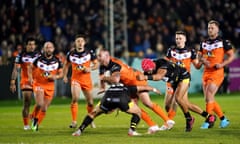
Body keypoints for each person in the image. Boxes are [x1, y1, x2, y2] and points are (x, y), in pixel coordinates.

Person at [72, 60, 162, 136]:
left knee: (93, 114)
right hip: (121, 100)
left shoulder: (111, 87)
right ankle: (132, 130)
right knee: (138, 112)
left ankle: (79, 130)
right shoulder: (128, 87)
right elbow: (143, 88)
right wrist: (154, 89)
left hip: (107, 98)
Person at [96, 48, 175, 133]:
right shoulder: (102, 66)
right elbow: (102, 78)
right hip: (129, 85)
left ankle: (168, 121)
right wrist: (102, 87)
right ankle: (153, 125)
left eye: (100, 55)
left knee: (147, 103)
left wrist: (105, 78)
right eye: (98, 56)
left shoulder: (114, 64)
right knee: (134, 108)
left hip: (137, 80)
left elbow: (115, 79)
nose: (98, 58)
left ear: (107, 55)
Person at [139, 58, 216, 132]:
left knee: (178, 98)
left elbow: (158, 77)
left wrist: (145, 77)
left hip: (183, 76)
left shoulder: (161, 65)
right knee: (185, 104)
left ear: (153, 66)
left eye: (149, 71)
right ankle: (209, 116)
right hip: (174, 81)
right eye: (146, 71)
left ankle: (189, 118)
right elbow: (142, 75)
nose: (148, 72)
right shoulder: (149, 68)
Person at [160, 31, 215, 130]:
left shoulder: (191, 51)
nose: (178, 40)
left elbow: (197, 66)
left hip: (183, 80)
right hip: (172, 80)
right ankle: (208, 116)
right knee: (172, 105)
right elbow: (165, 62)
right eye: (177, 38)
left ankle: (169, 123)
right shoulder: (171, 50)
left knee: (177, 100)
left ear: (185, 39)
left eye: (180, 38)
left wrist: (202, 61)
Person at [198, 20, 234, 129]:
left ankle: (208, 121)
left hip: (217, 72)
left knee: (209, 95)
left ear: (217, 29)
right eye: (209, 28)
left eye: (212, 28)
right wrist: (204, 61)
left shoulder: (224, 42)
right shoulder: (203, 43)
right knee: (208, 99)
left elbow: (231, 56)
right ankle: (223, 119)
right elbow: (199, 56)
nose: (210, 30)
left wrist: (222, 64)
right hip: (206, 72)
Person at [63, 34, 98, 128]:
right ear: (75, 43)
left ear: (84, 43)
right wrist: (65, 76)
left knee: (90, 102)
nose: (80, 43)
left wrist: (90, 69)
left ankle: (90, 119)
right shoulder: (70, 53)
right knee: (75, 98)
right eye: (78, 41)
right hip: (76, 80)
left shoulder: (89, 52)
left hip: (86, 80)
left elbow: (96, 64)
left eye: (81, 41)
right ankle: (74, 121)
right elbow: (66, 65)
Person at [29, 41, 63, 131]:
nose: (48, 49)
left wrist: (54, 77)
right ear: (44, 49)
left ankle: (35, 123)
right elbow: (30, 67)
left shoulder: (57, 60)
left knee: (44, 109)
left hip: (50, 86)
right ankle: (35, 119)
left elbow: (61, 74)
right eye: (47, 47)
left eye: (50, 47)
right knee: (39, 104)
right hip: (39, 84)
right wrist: (30, 78)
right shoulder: (38, 59)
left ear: (53, 49)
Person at [9, 38, 39, 130]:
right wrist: (13, 81)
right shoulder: (21, 56)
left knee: (40, 103)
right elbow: (16, 69)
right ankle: (26, 125)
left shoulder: (39, 55)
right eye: (30, 44)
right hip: (26, 80)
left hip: (38, 81)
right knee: (27, 102)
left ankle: (32, 116)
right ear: (26, 46)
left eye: (33, 44)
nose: (32, 46)